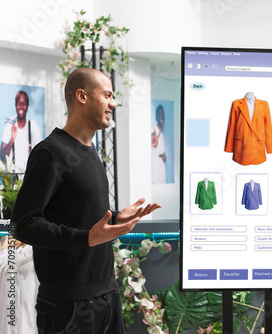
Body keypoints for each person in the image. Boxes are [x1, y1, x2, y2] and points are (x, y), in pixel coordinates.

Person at [12, 68, 161, 334]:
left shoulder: (91, 152)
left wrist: (116, 217)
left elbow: (78, 214)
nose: (113, 103)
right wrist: (86, 238)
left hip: (107, 295)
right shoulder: (49, 153)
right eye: (107, 95)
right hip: (68, 305)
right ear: (82, 96)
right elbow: (23, 224)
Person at [1, 90, 43, 172]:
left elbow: (41, 155)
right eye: (19, 103)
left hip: (29, 176)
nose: (21, 106)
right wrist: (12, 139)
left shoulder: (33, 126)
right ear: (15, 104)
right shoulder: (9, 125)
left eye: (24, 104)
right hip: (11, 179)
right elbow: (2, 156)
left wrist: (34, 155)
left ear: (27, 106)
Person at [151, 104, 167, 184]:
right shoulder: (154, 130)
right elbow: (153, 144)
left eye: (163, 115)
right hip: (155, 164)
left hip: (161, 165)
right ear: (156, 117)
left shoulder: (162, 133)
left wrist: (164, 156)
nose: (162, 117)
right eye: (160, 115)